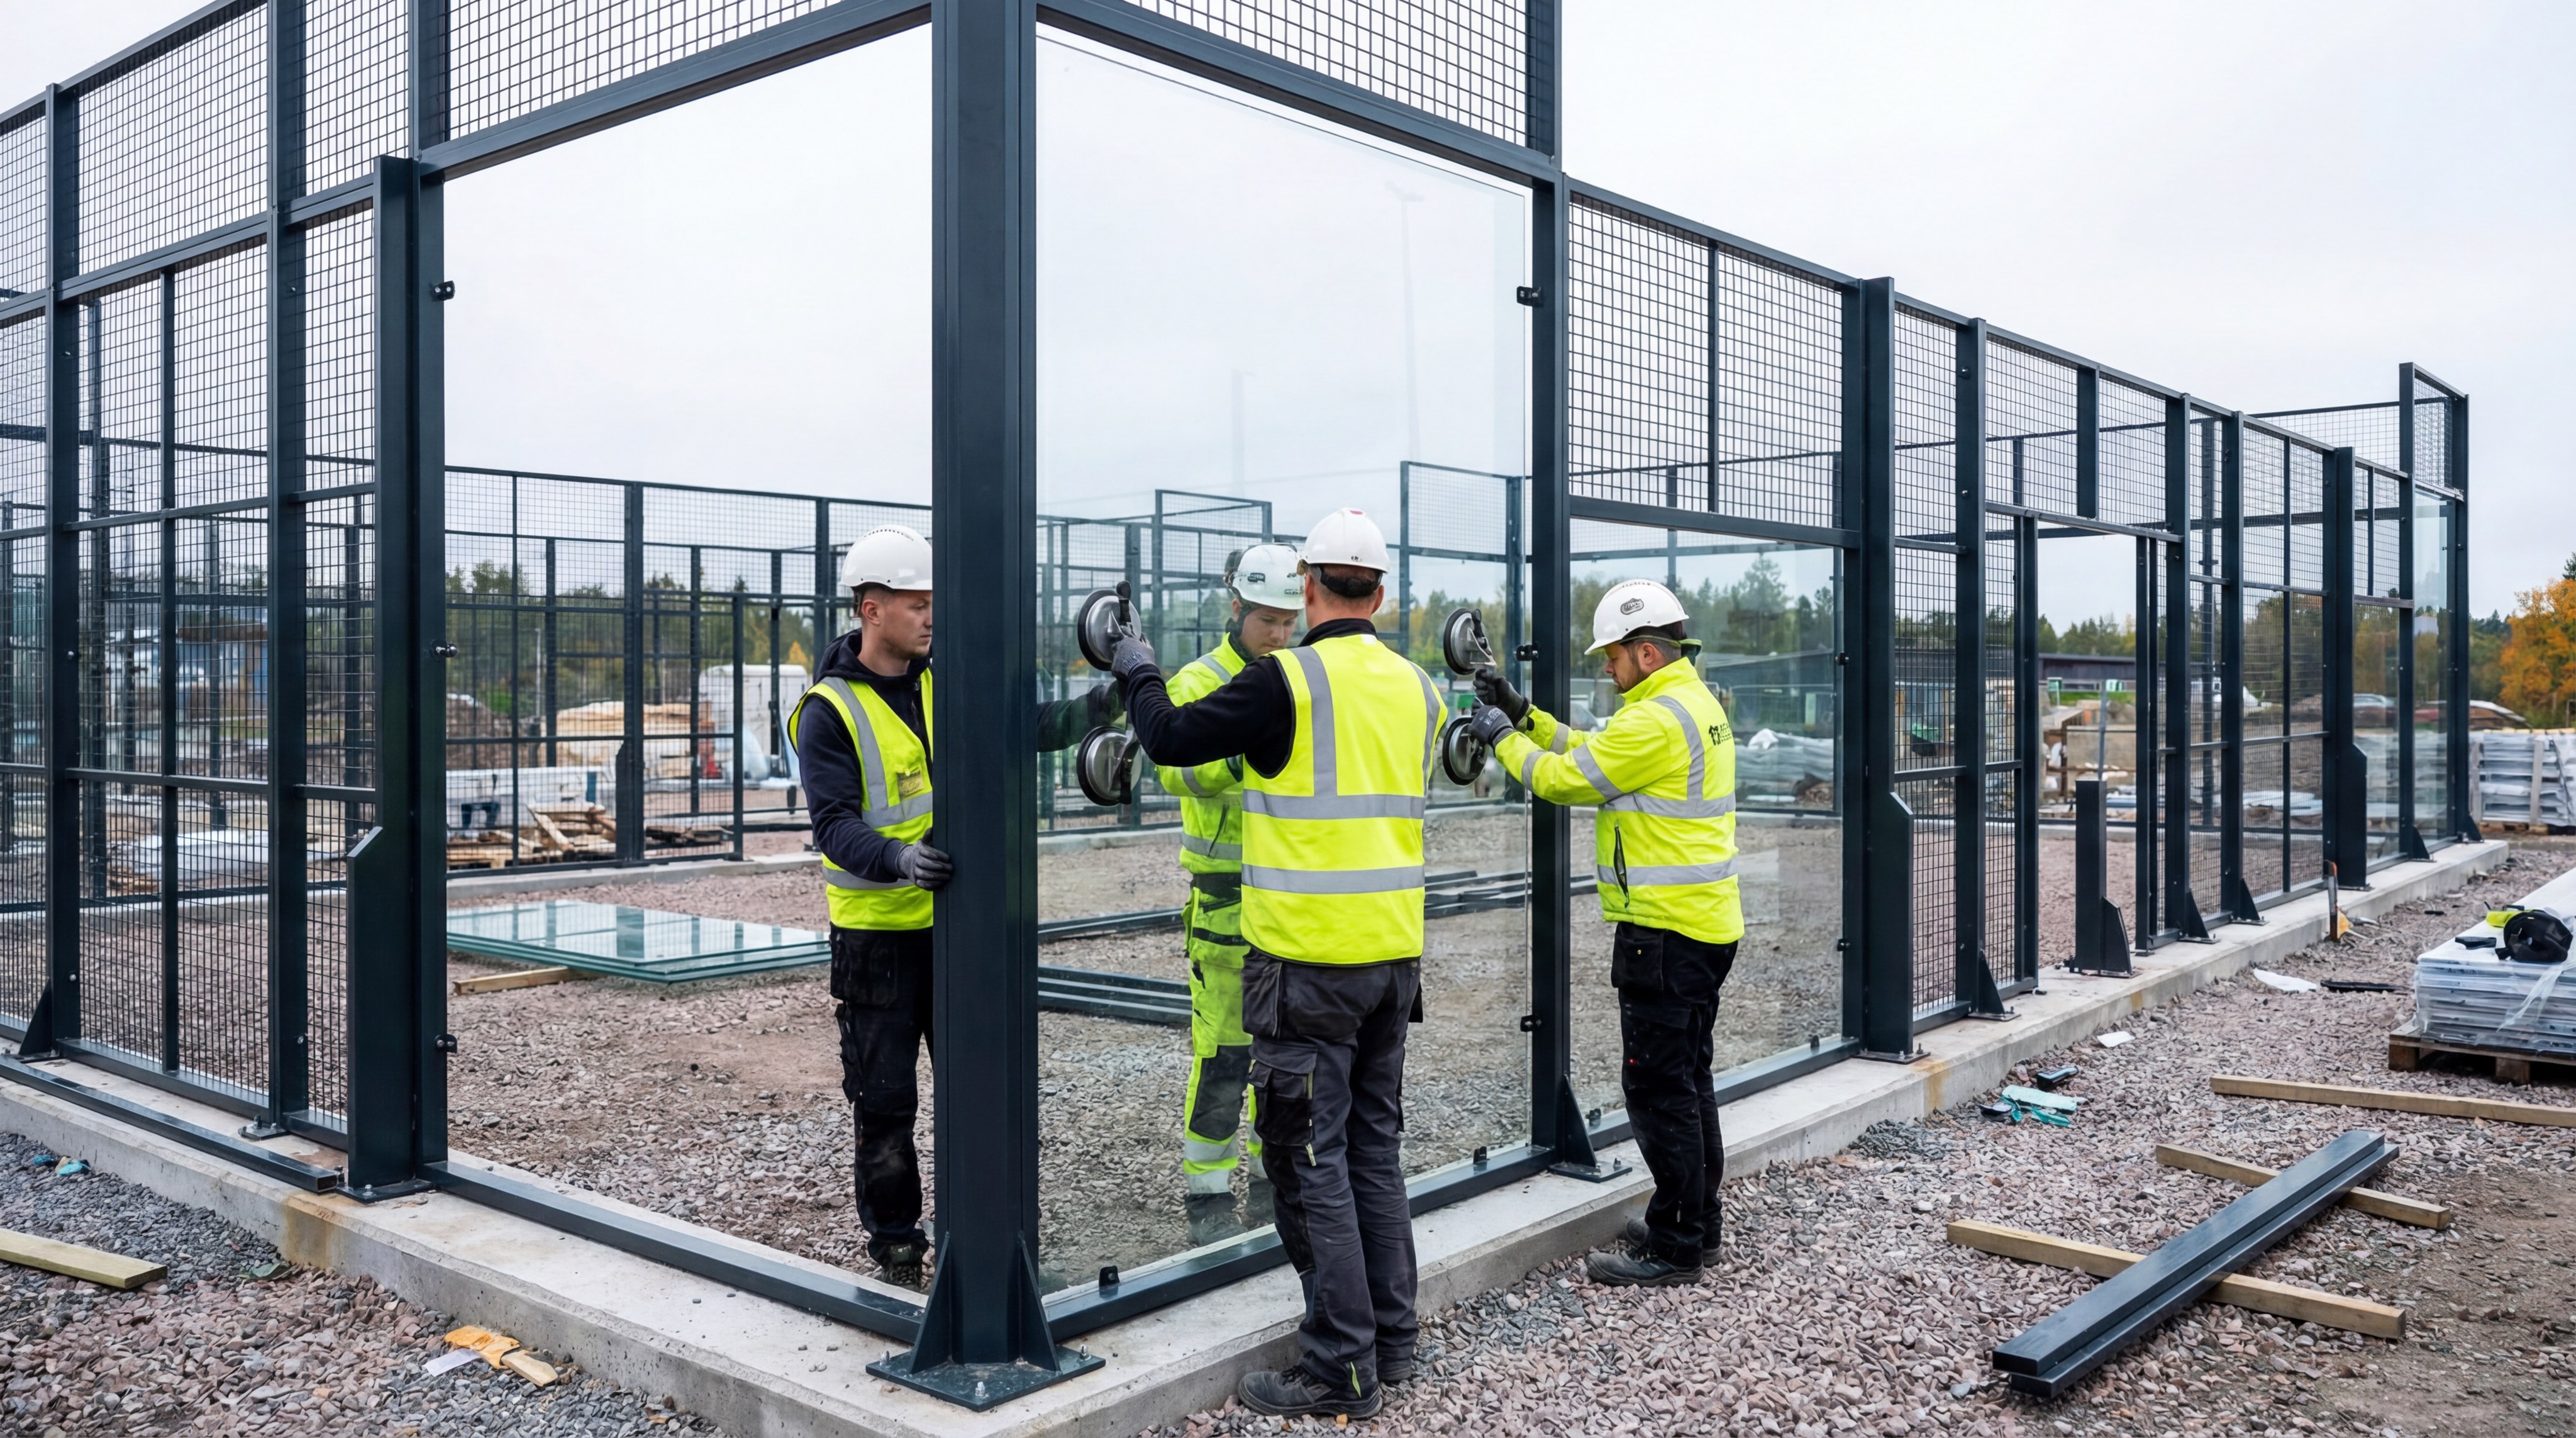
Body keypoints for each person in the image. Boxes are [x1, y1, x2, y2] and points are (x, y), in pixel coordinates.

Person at [1112, 509, 1436, 1420]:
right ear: (1384, 591)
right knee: (1373, 1148)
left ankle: (1338, 1366)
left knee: (1307, 1161)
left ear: (1307, 587)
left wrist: (1136, 664)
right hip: (1392, 961)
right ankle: (1394, 1339)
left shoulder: (1284, 682)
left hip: (1305, 965)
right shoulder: (1416, 687)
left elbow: (1171, 738)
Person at [789, 523, 1113, 1288]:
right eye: (916, 603)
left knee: (976, 1087)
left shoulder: (948, 678)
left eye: (936, 602)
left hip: (957, 931)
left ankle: (980, 1229)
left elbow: (1021, 729)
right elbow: (833, 825)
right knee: (887, 1101)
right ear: (871, 608)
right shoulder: (828, 710)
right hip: (880, 943)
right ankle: (898, 1242)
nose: (933, 616)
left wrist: (1105, 702)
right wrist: (898, 858)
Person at [1465, 577, 1741, 1287]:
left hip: (1665, 934)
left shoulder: (1653, 720)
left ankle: (1678, 1242)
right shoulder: (1686, 704)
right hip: (1703, 926)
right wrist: (1520, 712)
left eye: (1613, 657)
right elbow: (1591, 746)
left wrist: (1498, 739)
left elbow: (1566, 779)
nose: (1606, 668)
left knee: (1656, 1089)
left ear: (1646, 653)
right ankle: (1695, 1223)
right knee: (1689, 1079)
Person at [1155, 543, 1306, 1244]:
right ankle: (1207, 1194)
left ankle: (1276, 1179)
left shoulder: (1302, 676)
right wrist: (1242, 751)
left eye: (1289, 622)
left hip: (1293, 897)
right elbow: (1173, 771)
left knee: (1286, 1054)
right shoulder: (1198, 682)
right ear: (1236, 607)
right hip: (1223, 901)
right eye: (1268, 621)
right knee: (1225, 1056)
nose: (1279, 635)